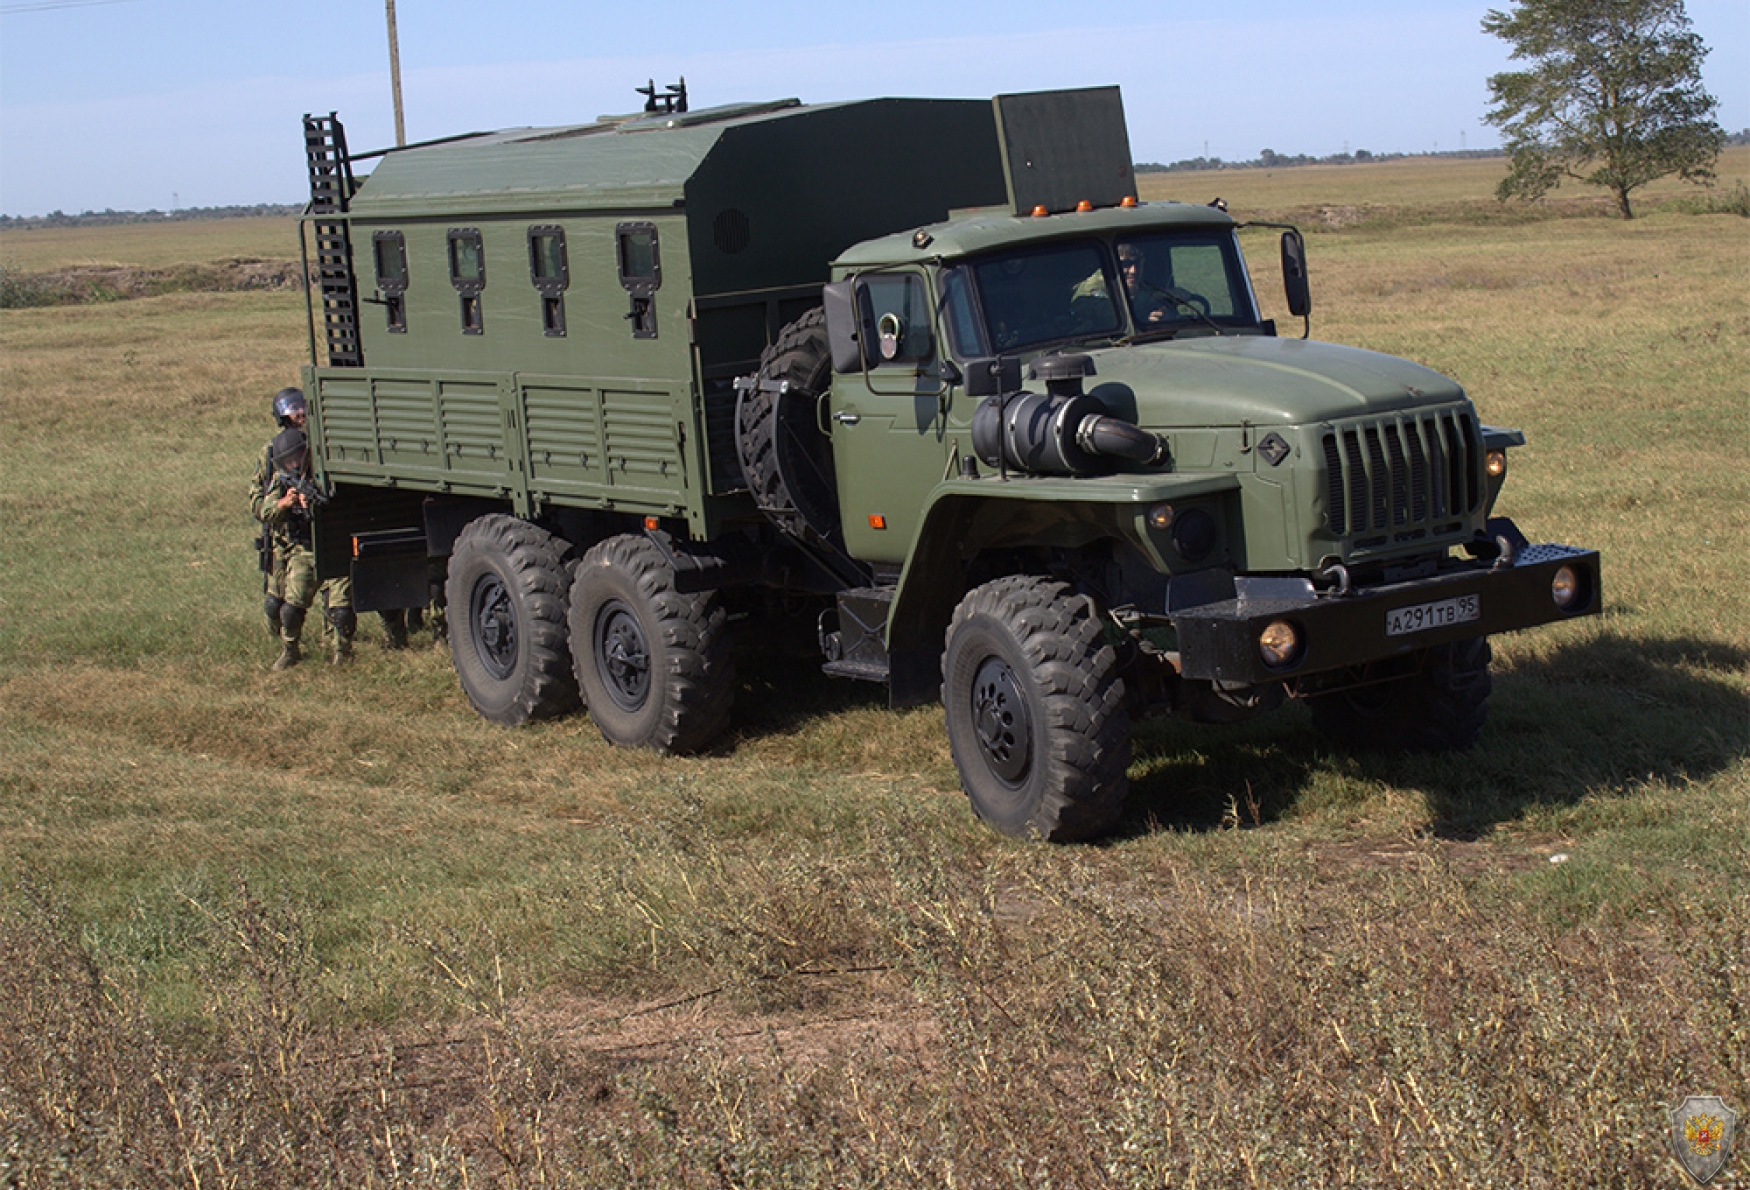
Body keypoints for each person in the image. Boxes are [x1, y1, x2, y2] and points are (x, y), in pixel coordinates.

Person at [250, 388, 358, 667]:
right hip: (294, 542)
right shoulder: (276, 454)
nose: (298, 413)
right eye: (292, 409)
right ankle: (289, 650)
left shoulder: (323, 448)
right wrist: (287, 504)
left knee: (341, 609)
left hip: (331, 538)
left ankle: (342, 653)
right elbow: (261, 503)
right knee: (286, 606)